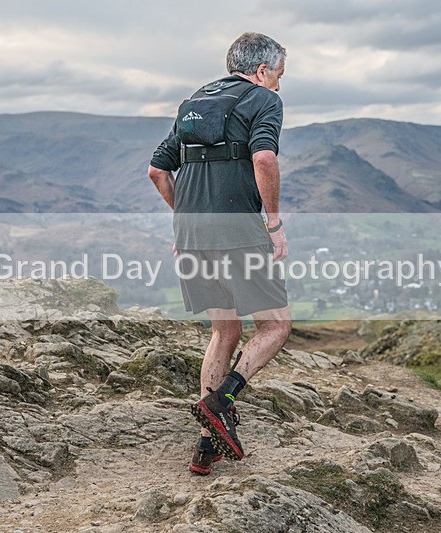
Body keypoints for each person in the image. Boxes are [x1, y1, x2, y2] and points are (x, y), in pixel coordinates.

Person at [148, 32, 292, 475]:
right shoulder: (263, 101)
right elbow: (264, 160)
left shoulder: (195, 102)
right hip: (238, 231)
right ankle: (221, 399)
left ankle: (205, 447)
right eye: (279, 74)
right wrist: (274, 224)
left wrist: (186, 220)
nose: (279, 84)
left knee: (224, 330)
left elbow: (157, 171)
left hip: (191, 234)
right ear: (262, 71)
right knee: (276, 326)